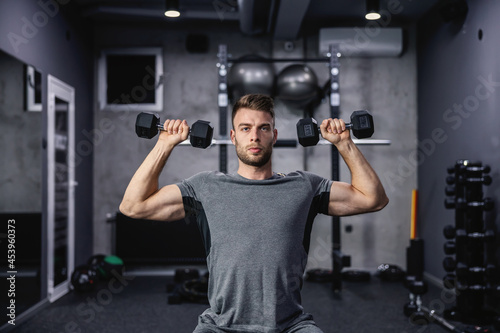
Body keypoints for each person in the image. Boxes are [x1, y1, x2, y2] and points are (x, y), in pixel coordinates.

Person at [119, 94, 389, 333]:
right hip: (219, 326)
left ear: (274, 134)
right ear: (234, 136)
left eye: (263, 128)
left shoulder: (304, 186)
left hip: (290, 325)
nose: (255, 136)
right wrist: (164, 144)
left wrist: (344, 143)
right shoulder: (205, 187)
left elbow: (373, 199)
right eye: (245, 128)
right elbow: (133, 205)